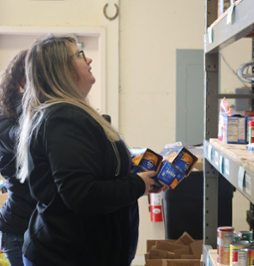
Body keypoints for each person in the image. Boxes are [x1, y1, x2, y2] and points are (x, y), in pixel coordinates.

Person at [17, 35, 165, 266]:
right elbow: (81, 194)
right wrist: (137, 184)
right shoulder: (63, 118)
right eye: (80, 55)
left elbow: (94, 171)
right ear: (61, 69)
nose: (89, 60)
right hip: (65, 256)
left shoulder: (72, 114)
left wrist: (138, 177)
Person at [0, 49, 37, 266]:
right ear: (25, 80)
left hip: (32, 224)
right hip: (19, 227)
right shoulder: (2, 121)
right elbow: (25, 139)